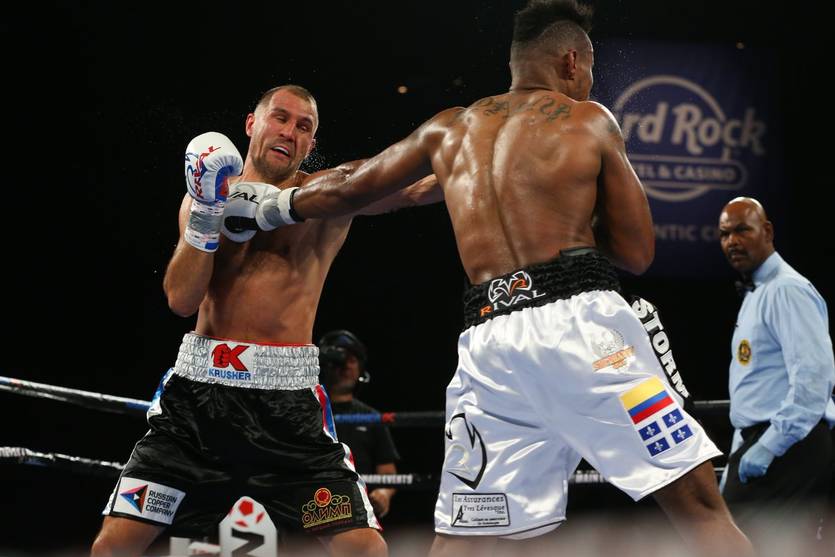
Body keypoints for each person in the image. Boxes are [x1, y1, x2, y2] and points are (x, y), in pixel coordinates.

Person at [248, 1, 753, 555]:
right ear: (571, 60)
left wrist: (270, 205)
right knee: (698, 504)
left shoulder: (449, 129)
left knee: (466, 535)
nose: (589, 81)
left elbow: (350, 185)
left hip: (491, 346)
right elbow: (637, 253)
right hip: (586, 332)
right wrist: (569, 211)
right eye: (589, 68)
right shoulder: (589, 119)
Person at [90, 85, 438, 557]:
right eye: (281, 117)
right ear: (252, 124)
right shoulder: (204, 196)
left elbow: (413, 187)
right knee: (113, 547)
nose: (290, 131)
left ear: (311, 144)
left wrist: (489, 164)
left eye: (304, 126)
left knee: (364, 549)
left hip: (288, 416)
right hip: (197, 408)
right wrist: (206, 214)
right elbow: (181, 300)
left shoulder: (328, 198)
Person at [717, 196, 835, 547]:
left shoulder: (787, 289)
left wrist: (771, 445)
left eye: (742, 230)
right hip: (768, 440)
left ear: (767, 231)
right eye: (724, 234)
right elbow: (756, 387)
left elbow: (814, 379)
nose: (732, 241)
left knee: (731, 545)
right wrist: (741, 451)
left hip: (790, 444)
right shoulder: (758, 292)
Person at [318, 329, 400, 519]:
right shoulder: (305, 412)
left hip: (359, 511)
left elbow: (388, 472)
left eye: (352, 360)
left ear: (361, 369)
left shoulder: (371, 417)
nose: (345, 366)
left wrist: (384, 493)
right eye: (339, 360)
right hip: (313, 505)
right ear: (325, 365)